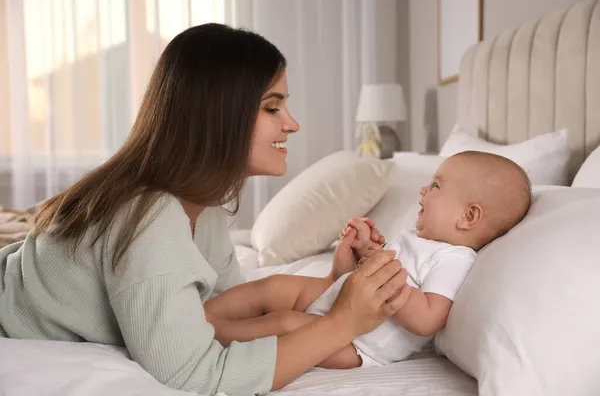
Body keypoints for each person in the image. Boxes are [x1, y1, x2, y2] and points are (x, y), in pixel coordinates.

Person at [0, 23, 412, 396]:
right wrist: (341, 323)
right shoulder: (150, 219)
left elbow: (219, 312)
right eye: (273, 107)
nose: (292, 124)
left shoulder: (203, 204)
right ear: (220, 116)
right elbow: (195, 374)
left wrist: (334, 284)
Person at [205, 151, 532, 368]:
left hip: (357, 343)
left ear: (468, 216)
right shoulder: (415, 239)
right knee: (274, 286)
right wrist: (358, 255)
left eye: (436, 186)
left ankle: (208, 337)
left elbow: (427, 320)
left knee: (284, 324)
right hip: (336, 303)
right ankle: (200, 315)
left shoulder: (454, 259)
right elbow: (360, 282)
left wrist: (386, 269)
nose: (423, 191)